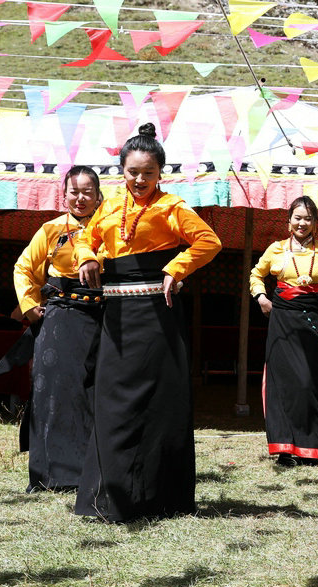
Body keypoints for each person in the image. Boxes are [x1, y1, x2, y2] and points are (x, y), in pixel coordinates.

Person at [73, 123, 222, 522]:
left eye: (148, 173)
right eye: (132, 172)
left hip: (158, 317)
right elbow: (86, 237)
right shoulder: (107, 207)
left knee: (159, 404)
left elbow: (209, 242)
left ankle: (160, 499)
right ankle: (107, 498)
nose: (140, 180)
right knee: (112, 402)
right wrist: (88, 256)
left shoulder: (173, 207)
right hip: (116, 319)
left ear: (160, 173)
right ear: (121, 171)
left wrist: (176, 267)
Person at [12, 166, 103, 492]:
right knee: (56, 393)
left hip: (104, 318)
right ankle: (53, 475)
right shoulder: (51, 230)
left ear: (97, 195)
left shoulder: (109, 228)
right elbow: (24, 268)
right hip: (62, 317)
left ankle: (95, 471)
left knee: (98, 393)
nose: (80, 198)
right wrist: (28, 305)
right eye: (74, 192)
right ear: (64, 195)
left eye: (87, 191)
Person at [250, 196, 318, 467]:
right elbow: (256, 275)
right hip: (281, 320)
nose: (302, 223)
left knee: (307, 381)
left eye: (308, 218)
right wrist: (261, 297)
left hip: (311, 319)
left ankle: (311, 448)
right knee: (282, 383)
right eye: (297, 217)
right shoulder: (276, 249)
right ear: (289, 220)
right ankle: (283, 449)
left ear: (315, 222)